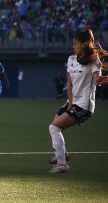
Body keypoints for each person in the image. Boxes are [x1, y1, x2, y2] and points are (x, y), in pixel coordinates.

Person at [47, 29, 108, 173]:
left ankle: (62, 165)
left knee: (53, 128)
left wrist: (101, 80)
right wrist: (69, 103)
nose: (73, 46)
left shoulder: (94, 62)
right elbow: (69, 83)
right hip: (73, 102)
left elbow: (96, 80)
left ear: (85, 44)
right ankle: (63, 154)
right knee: (52, 129)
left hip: (85, 106)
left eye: (76, 44)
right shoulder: (71, 59)